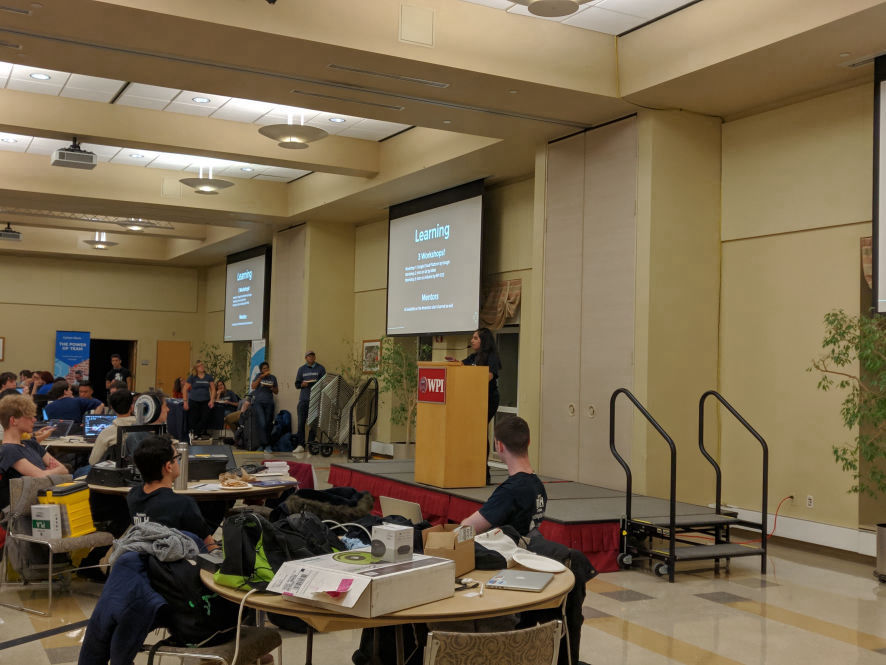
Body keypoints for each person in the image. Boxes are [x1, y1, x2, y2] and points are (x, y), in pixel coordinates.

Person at [126, 435, 219, 552]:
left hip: (144, 557)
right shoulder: (183, 504)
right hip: (178, 559)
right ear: (168, 466)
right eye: (177, 457)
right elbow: (209, 546)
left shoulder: (133, 495)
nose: (179, 461)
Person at [460, 415, 546, 537]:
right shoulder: (539, 486)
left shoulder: (509, 491)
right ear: (528, 442)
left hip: (508, 548)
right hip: (525, 547)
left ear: (499, 446)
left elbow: (466, 529)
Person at [447, 327, 501, 483]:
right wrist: (456, 364)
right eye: (473, 337)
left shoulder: (492, 357)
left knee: (480, 431)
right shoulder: (473, 357)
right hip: (473, 399)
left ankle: (484, 470)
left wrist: (470, 374)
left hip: (488, 399)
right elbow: (461, 367)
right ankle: (473, 468)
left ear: (484, 341)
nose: (472, 340)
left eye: (475, 338)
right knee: (474, 432)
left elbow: (488, 376)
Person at [0, 394, 67, 508]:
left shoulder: (31, 444)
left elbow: (64, 470)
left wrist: (46, 473)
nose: (34, 419)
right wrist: (50, 471)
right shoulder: (8, 450)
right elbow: (40, 477)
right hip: (25, 512)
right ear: (13, 420)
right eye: (29, 416)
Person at [88, 389, 137, 466]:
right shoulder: (146, 430)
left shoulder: (106, 433)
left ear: (112, 408)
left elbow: (93, 461)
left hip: (112, 471)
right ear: (132, 407)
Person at [295, 350, 325, 450]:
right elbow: (297, 384)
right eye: (309, 356)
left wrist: (317, 384)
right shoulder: (301, 369)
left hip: (316, 400)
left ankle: (310, 444)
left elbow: (325, 383)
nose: (311, 358)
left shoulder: (320, 368)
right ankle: (300, 445)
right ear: (306, 358)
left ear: (315, 357)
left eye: (312, 356)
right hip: (303, 400)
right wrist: (302, 384)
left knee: (314, 423)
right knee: (301, 423)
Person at [183, 360, 215, 439]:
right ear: (196, 368)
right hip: (194, 400)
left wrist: (212, 400)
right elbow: (185, 389)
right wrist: (185, 401)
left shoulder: (208, 377)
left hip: (205, 401)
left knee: (205, 418)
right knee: (194, 418)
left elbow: (213, 389)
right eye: (199, 366)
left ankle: (195, 432)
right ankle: (196, 434)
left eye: (202, 365)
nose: (202, 367)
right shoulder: (192, 377)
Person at [250, 362, 278, 450]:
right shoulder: (258, 376)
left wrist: (272, 388)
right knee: (262, 423)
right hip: (259, 403)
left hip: (269, 402)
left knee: (268, 423)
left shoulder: (273, 377)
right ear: (261, 370)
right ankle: (264, 444)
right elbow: (253, 386)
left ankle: (266, 445)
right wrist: (260, 378)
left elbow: (276, 391)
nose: (266, 370)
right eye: (264, 368)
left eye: (267, 368)